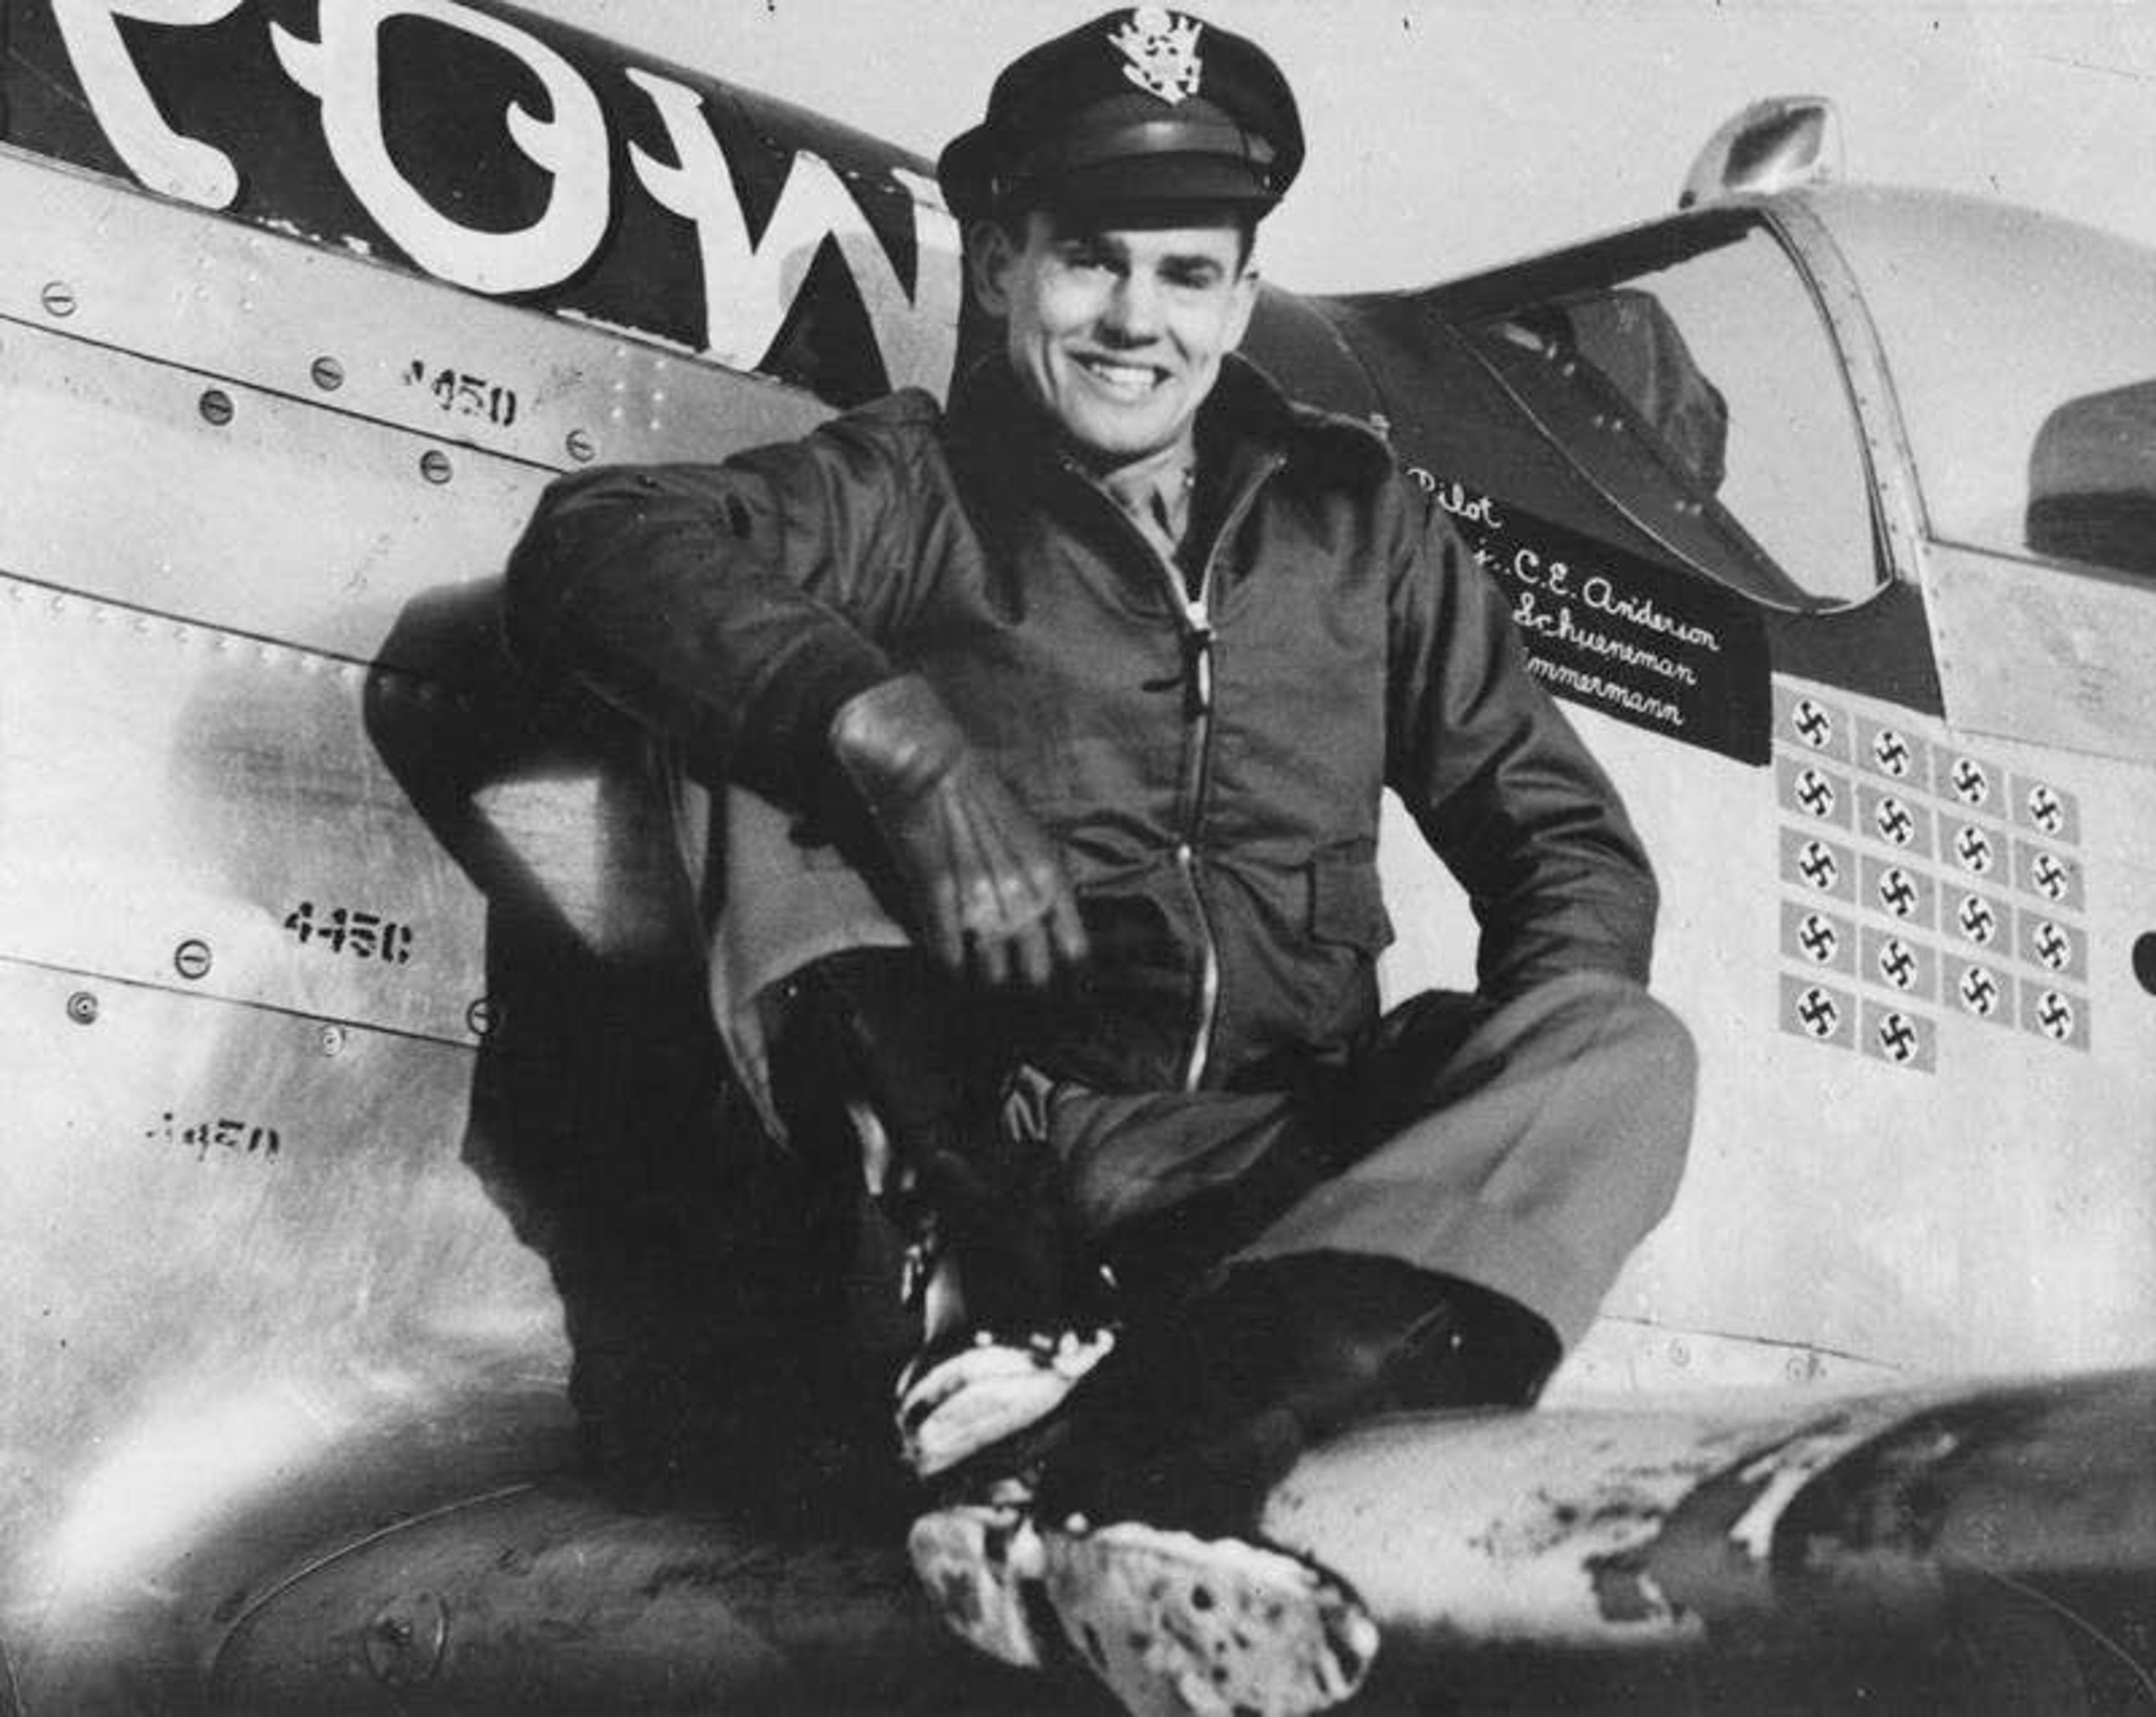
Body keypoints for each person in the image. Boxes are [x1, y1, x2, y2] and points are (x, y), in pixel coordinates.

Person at [504, 9, 1696, 1711]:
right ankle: (1002, 1334)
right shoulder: (914, 485)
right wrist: (895, 745)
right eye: (1089, 261)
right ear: (1003, 266)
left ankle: (1173, 1435)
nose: (1137, 319)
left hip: (1273, 1175)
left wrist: (1470, 1133)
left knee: (1622, 1045)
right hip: (1002, 1151)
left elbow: (1559, 837)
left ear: (1237, 293)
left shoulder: (1360, 525)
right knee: (744, 718)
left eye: (1189, 273)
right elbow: (605, 543)